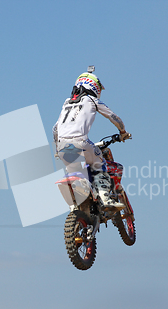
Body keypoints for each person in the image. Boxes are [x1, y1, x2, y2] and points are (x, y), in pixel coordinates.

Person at [53, 67, 131, 210]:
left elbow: (55, 129)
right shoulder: (92, 100)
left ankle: (78, 207)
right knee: (99, 161)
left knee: (75, 171)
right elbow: (113, 117)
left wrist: (56, 150)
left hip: (62, 146)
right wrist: (123, 131)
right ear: (95, 87)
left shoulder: (66, 103)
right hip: (80, 142)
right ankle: (106, 198)